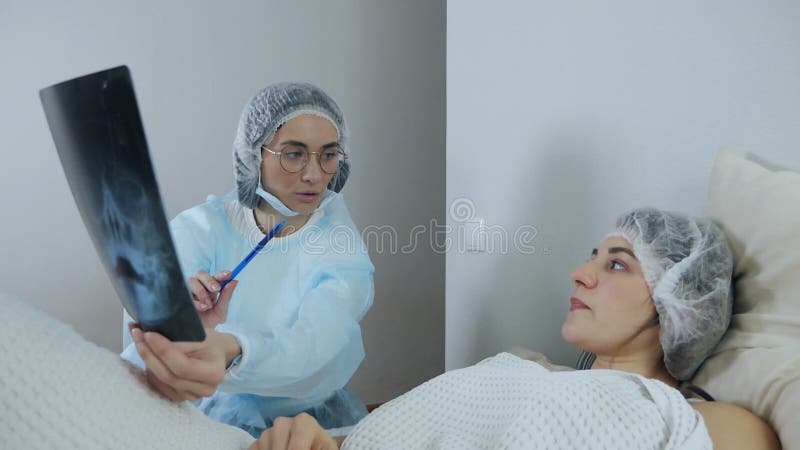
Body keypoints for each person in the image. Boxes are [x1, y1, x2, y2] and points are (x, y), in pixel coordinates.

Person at [132, 208, 781, 449]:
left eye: (615, 263)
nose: (580, 274)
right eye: (591, 255)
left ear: (678, 301)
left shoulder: (702, 420)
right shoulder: (520, 367)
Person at [122, 82, 375, 438]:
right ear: (253, 154)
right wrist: (181, 323)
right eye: (294, 153)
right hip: (199, 418)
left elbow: (317, 346)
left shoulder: (340, 248)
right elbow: (141, 350)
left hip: (306, 427)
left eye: (329, 155)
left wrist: (233, 349)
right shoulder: (197, 230)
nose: (314, 174)